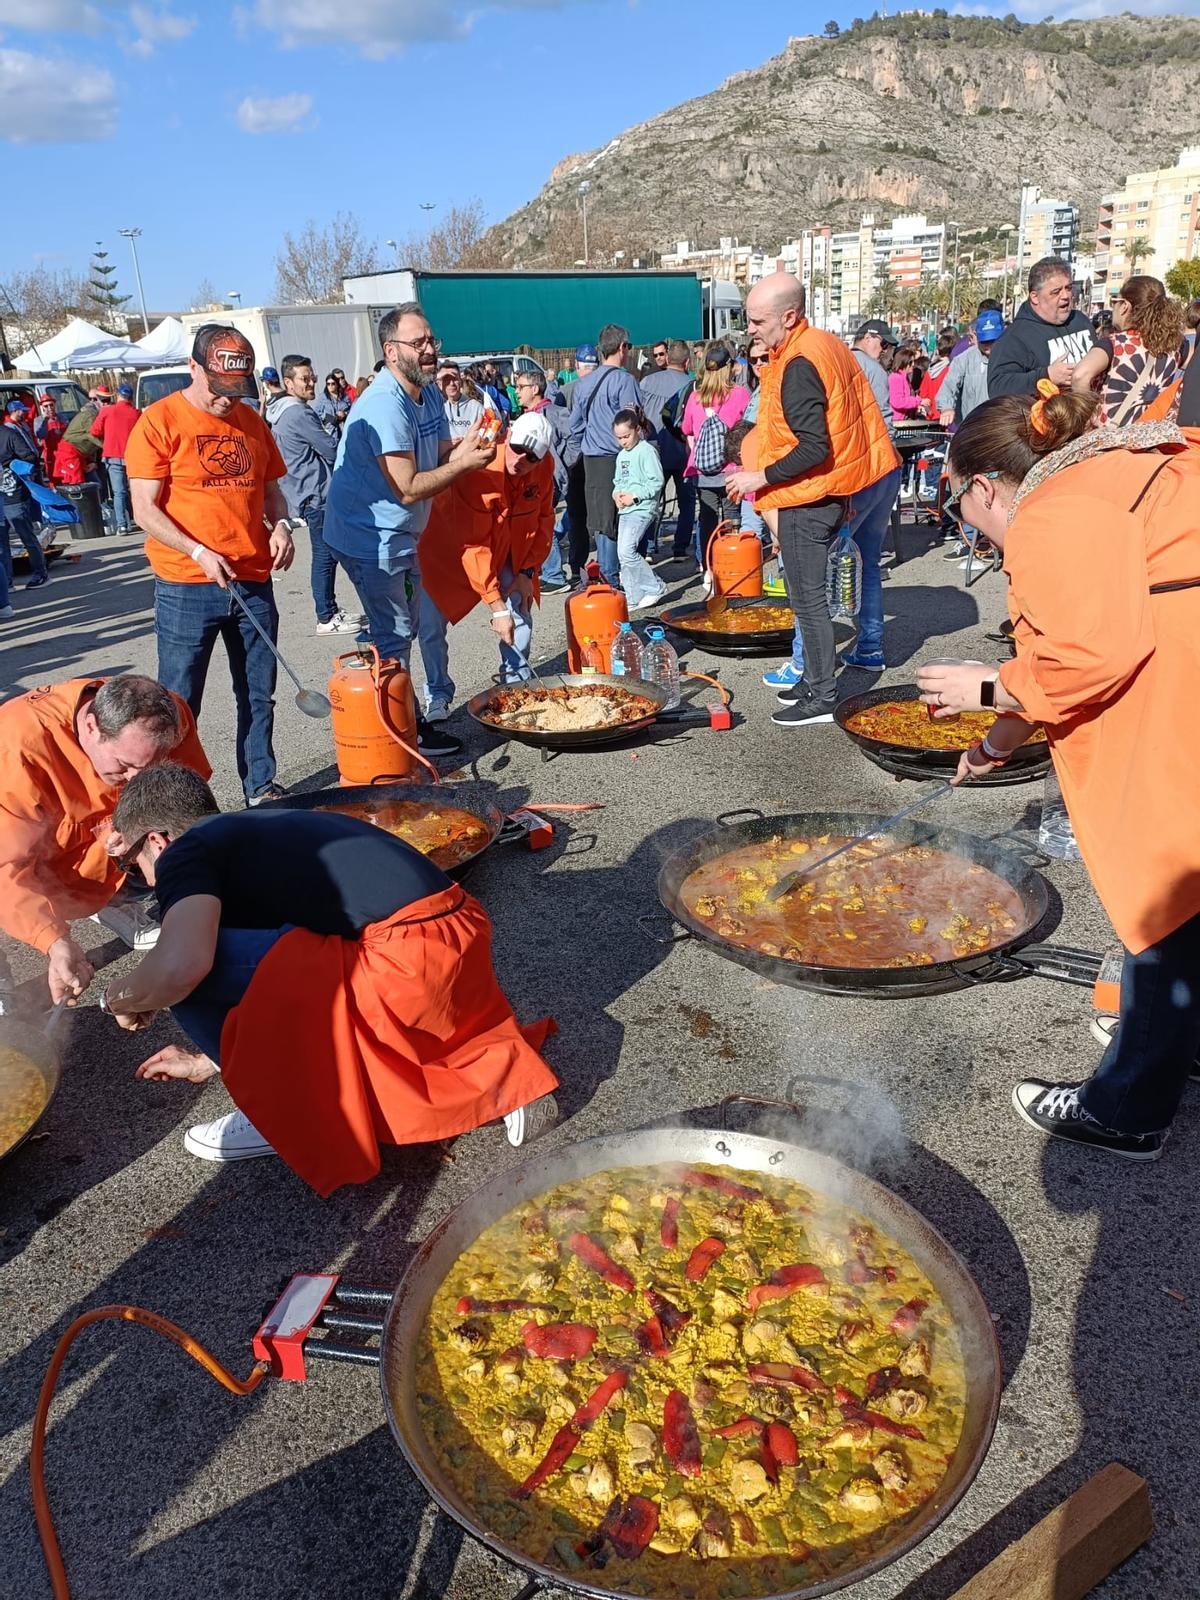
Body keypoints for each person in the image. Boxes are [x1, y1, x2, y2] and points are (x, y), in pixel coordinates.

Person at [916, 385, 1200, 1161]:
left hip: (1179, 703)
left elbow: (1093, 657)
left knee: (1167, 894)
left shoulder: (1049, 514)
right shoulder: (1098, 472)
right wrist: (997, 743)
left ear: (982, 486)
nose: (967, 529)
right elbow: (1066, 646)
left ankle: (1128, 1106)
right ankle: (1177, 1043)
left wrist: (980, 686)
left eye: (959, 507)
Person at [102, 765, 559, 1178]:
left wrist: (121, 998)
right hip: (459, 934)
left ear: (158, 841)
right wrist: (209, 1060)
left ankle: (278, 1115)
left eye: (135, 866)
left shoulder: (186, 852)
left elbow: (183, 967)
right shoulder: (250, 829)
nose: (145, 879)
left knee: (188, 963)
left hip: (405, 962)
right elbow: (285, 970)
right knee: (245, 952)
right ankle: (510, 1082)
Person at [125, 323, 296, 806]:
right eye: (219, 387)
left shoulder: (252, 421)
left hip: (252, 579)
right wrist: (197, 550)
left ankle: (260, 784)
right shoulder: (159, 421)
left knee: (258, 692)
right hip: (186, 583)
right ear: (194, 367)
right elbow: (144, 508)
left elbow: (271, 490)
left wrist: (281, 525)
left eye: (236, 389)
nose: (228, 399)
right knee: (178, 701)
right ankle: (174, 800)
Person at [725, 271, 899, 727]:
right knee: (811, 598)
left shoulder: (800, 363)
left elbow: (814, 446)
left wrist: (757, 477)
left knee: (808, 601)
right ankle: (812, 681)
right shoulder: (824, 344)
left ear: (790, 316)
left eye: (758, 321)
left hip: (810, 494)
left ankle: (822, 694)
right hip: (833, 487)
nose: (751, 329)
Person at [322, 302, 496, 758]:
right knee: (397, 631)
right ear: (390, 350)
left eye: (431, 341)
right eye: (417, 343)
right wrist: (465, 465)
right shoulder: (384, 404)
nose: (429, 350)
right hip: (367, 537)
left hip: (401, 533)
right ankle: (403, 732)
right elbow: (408, 487)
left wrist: (470, 442)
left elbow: (438, 456)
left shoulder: (429, 392)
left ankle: (382, 688)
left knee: (405, 625)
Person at [0, 675, 209, 1006]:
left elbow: (188, 808)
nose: (136, 780)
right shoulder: (18, 749)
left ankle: (110, 901)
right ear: (92, 727)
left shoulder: (167, 717)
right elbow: (7, 869)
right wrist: (55, 941)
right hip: (30, 855)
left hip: (96, 852)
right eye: (125, 766)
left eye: (150, 767)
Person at [418, 411, 557, 715]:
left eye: (532, 457)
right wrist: (496, 608)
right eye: (518, 448)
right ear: (508, 438)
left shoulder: (544, 467)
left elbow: (545, 519)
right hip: (450, 549)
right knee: (430, 626)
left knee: (520, 613)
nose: (522, 459)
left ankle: (515, 688)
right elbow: (474, 544)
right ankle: (438, 693)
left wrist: (526, 571)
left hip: (506, 551)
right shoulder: (481, 467)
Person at [266, 353, 363, 635]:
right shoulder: (298, 412)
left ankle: (328, 609)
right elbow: (330, 448)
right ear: (288, 382)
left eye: (313, 378)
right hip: (314, 493)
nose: (311, 383)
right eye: (305, 379)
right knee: (325, 555)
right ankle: (326, 615)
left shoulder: (282, 411)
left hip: (306, 490)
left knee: (328, 554)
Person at [565, 325, 643, 590]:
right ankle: (613, 577)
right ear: (622, 347)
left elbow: (574, 425)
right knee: (621, 515)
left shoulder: (583, 383)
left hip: (591, 459)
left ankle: (604, 576)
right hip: (619, 457)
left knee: (600, 521)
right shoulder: (625, 381)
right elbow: (630, 422)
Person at [1068, 276, 1187, 427]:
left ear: (1125, 306)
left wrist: (1088, 418)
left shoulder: (1114, 344)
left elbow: (1080, 375)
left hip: (1109, 439)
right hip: (1149, 437)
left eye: (1114, 302)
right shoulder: (1176, 345)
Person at [938, 309, 1006, 560]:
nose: (989, 346)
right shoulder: (964, 359)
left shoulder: (1010, 358)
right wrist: (946, 407)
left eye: (994, 340)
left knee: (1001, 489)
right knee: (969, 488)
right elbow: (948, 388)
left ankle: (998, 540)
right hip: (973, 433)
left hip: (1003, 432)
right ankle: (970, 539)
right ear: (976, 337)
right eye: (985, 340)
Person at [680, 343, 750, 568]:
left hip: (703, 471)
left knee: (707, 518)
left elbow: (686, 429)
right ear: (728, 368)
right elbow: (748, 428)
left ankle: (707, 567)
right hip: (731, 469)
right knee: (731, 518)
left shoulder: (695, 398)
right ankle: (730, 564)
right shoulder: (739, 395)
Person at [987, 258, 1094, 398]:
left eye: (1068, 288)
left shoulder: (1080, 320)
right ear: (1035, 297)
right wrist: (1046, 376)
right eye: (1056, 292)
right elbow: (997, 387)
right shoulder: (1013, 338)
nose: (1066, 296)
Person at [513, 369, 571, 593]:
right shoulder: (529, 415)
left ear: (535, 389)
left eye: (521, 387)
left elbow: (574, 438)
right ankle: (551, 571)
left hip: (551, 478)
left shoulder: (555, 413)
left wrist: (564, 465)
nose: (516, 392)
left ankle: (555, 575)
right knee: (542, 520)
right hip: (537, 477)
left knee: (542, 520)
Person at [640, 338, 696, 562]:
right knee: (687, 501)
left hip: (654, 449)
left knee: (651, 500)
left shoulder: (646, 382)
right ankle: (680, 548)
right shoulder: (693, 385)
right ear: (687, 361)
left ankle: (649, 546)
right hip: (683, 450)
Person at [611, 406, 666, 611]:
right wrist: (616, 494)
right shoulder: (621, 456)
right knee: (623, 554)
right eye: (619, 438)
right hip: (625, 508)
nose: (623, 441)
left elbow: (657, 481)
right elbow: (618, 480)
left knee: (627, 551)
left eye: (626, 436)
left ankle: (654, 586)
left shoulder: (646, 451)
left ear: (637, 430)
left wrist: (634, 496)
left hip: (642, 508)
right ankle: (633, 596)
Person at [1, 398, 50, 589]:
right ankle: (6, 583)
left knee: (26, 537)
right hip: (4, 497)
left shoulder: (9, 434)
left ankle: (41, 574)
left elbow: (31, 456)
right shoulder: (11, 430)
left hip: (14, 494)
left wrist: (9, 465)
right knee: (2, 543)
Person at [89, 381, 141, 533]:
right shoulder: (136, 413)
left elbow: (94, 431)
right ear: (130, 398)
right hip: (133, 456)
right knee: (136, 491)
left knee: (119, 492)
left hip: (112, 455)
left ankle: (122, 524)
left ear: (118, 396)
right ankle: (141, 520)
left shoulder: (107, 411)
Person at [438, 361, 485, 440]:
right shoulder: (435, 407)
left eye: (455, 379)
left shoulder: (476, 407)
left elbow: (485, 433)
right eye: (447, 379)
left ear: (460, 380)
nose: (451, 383)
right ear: (439, 382)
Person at [34, 394, 65, 485]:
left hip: (63, 452)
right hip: (50, 454)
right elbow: (41, 435)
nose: (49, 408)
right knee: (53, 478)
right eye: (46, 406)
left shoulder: (62, 417)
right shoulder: (38, 420)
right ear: (42, 408)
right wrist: (45, 421)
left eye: (51, 405)